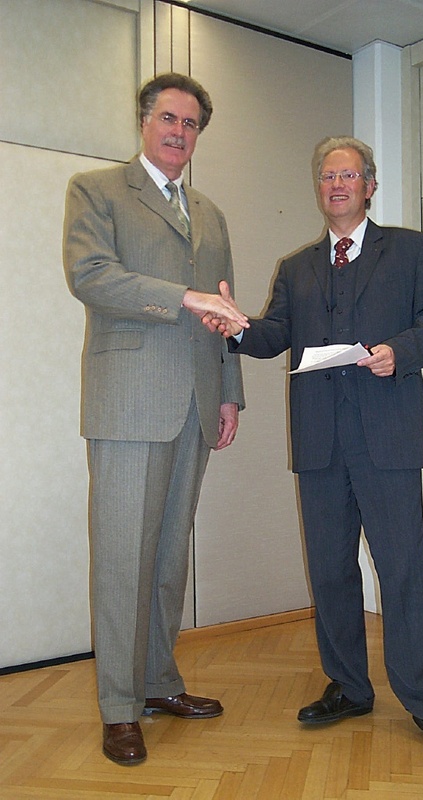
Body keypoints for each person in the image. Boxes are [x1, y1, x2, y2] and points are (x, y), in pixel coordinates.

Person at [205, 136, 423, 760]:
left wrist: (399, 352)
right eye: (327, 176)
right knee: (329, 573)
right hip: (321, 443)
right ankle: (349, 687)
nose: (337, 185)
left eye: (349, 175)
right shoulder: (297, 267)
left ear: (370, 185)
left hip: (389, 440)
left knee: (405, 571)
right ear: (318, 188)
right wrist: (237, 329)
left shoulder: (410, 250)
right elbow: (275, 334)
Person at [63, 72, 248, 766]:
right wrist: (184, 296)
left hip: (197, 402)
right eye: (168, 118)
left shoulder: (211, 212)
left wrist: (230, 392)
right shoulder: (98, 190)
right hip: (129, 399)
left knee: (168, 560)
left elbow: (223, 313)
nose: (179, 131)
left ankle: (157, 683)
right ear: (144, 122)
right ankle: (117, 707)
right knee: (122, 561)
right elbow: (92, 275)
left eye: (191, 123)